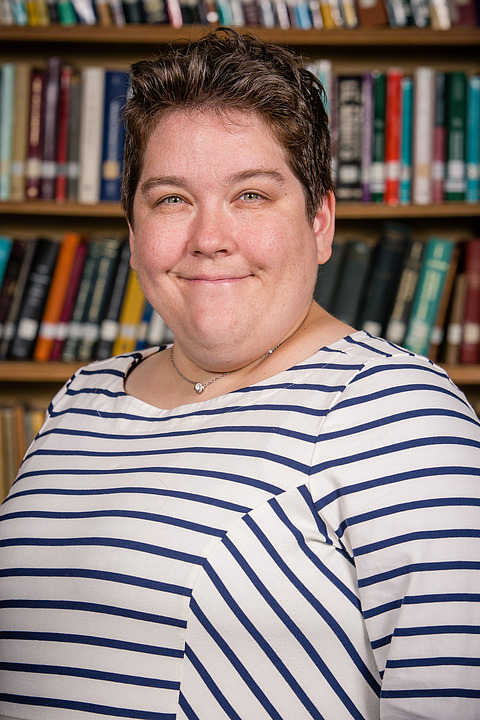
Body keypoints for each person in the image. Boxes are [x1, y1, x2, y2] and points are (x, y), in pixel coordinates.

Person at [0, 28, 479, 720]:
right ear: (134, 236)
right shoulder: (82, 401)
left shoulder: (403, 414)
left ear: (319, 222)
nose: (208, 237)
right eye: (171, 199)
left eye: (251, 195)